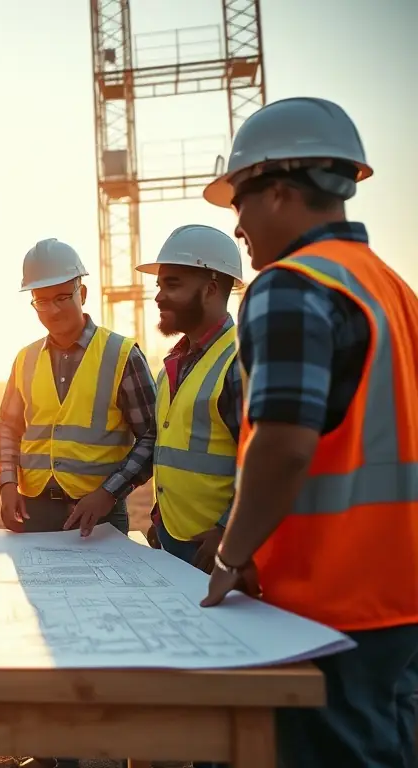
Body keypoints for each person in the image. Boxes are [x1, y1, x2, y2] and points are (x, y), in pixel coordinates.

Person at [199, 96, 418, 768]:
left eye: (239, 203)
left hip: (331, 603)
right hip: (397, 596)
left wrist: (232, 556)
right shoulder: (392, 289)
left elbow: (284, 445)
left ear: (281, 192)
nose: (236, 227)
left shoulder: (290, 286)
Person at [0, 238, 157, 537]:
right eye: (42, 300)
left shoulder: (121, 354)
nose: (53, 310)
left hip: (98, 513)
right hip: (34, 509)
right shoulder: (25, 359)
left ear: (81, 293)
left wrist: (109, 493)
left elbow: (151, 437)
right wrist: (7, 483)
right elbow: (8, 427)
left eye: (62, 297)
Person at [134, 224, 244, 574]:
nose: (158, 297)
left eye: (173, 284)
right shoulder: (171, 366)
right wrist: (160, 518)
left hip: (215, 550)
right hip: (172, 538)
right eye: (160, 285)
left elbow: (261, 463)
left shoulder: (240, 361)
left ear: (211, 289)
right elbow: (163, 443)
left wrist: (229, 530)